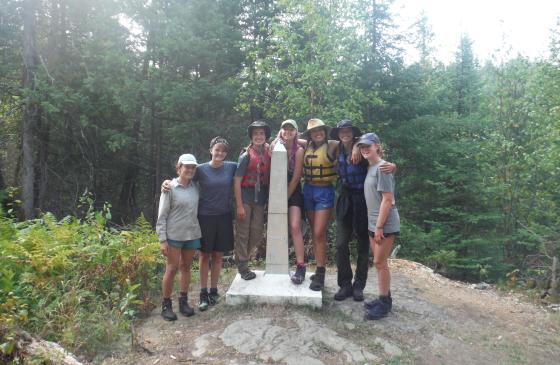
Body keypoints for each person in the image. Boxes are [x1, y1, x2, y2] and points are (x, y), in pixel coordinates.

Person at [162, 137, 237, 311]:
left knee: (218, 255)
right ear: (210, 150)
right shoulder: (200, 169)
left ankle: (213, 290)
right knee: (205, 255)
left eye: (223, 151)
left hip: (224, 215)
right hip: (205, 217)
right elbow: (182, 178)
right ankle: (203, 292)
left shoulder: (231, 167)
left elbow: (246, 164)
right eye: (216, 150)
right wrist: (166, 183)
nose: (219, 153)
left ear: (226, 154)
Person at [330, 120, 395, 302]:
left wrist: (393, 165)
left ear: (353, 132)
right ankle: (345, 284)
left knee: (362, 244)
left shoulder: (362, 147)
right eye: (342, 131)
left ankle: (359, 285)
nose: (345, 134)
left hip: (362, 199)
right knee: (341, 243)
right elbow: (307, 141)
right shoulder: (335, 148)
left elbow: (377, 159)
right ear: (338, 134)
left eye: (348, 131)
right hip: (345, 198)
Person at [357, 133, 400, 320]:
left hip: (384, 223)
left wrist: (379, 227)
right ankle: (385, 297)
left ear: (376, 146)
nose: (365, 149)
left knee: (379, 263)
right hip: (373, 222)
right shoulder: (371, 166)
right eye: (362, 146)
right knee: (379, 262)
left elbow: (387, 199)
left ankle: (384, 303)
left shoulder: (383, 168)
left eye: (368, 146)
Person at [156, 154, 201, 321]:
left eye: (192, 167)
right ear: (179, 168)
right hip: (173, 235)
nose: (189, 170)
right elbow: (162, 215)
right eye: (186, 167)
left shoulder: (195, 187)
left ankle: (183, 302)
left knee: (186, 267)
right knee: (171, 268)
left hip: (191, 233)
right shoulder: (169, 188)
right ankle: (166, 305)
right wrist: (162, 239)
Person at [301, 118, 339, 291]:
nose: (318, 133)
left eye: (320, 130)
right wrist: (280, 135)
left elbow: (352, 142)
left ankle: (321, 273)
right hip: (308, 190)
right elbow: (291, 139)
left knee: (319, 232)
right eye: (314, 131)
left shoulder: (332, 145)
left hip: (324, 192)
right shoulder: (307, 145)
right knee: (313, 233)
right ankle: (318, 268)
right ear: (310, 134)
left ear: (324, 131)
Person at [234, 120, 271, 280]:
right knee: (243, 232)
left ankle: (242, 258)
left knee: (256, 233)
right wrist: (239, 205)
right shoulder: (246, 156)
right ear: (251, 136)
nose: (259, 136)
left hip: (260, 198)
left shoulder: (269, 152)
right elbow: (236, 181)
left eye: (261, 133)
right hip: (246, 197)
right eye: (256, 134)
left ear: (265, 136)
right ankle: (242, 266)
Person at [271, 119, 306, 284]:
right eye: (285, 129)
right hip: (275, 188)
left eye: (292, 129)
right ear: (281, 131)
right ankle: (274, 263)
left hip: (293, 190)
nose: (288, 132)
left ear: (296, 132)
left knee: (294, 225)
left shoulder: (299, 150)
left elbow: (296, 177)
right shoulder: (274, 146)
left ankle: (301, 266)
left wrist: (283, 199)